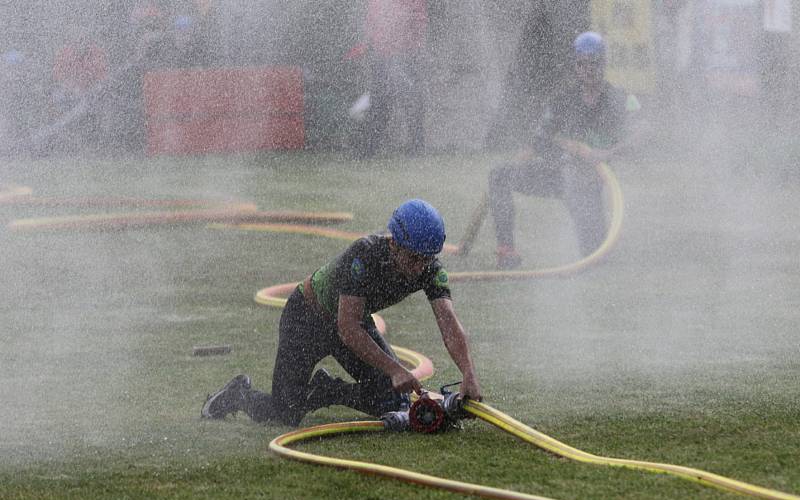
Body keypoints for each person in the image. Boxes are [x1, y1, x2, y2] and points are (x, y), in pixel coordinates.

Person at [202, 199, 482, 426]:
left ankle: (326, 389)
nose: (419, 267)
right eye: (413, 258)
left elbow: (449, 324)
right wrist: (395, 368)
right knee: (283, 415)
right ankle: (238, 394)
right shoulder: (365, 254)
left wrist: (468, 373)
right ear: (394, 242)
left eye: (427, 259)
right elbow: (347, 328)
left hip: (352, 322)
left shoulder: (429, 268)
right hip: (307, 319)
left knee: (392, 401)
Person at [488, 31, 643, 269]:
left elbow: (641, 136)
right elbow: (540, 139)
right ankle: (507, 253)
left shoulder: (620, 99)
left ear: (604, 63)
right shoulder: (563, 100)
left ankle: (593, 240)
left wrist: (606, 154)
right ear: (576, 65)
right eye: (582, 63)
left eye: (595, 63)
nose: (589, 69)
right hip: (558, 176)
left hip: (587, 185)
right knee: (499, 176)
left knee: (594, 257)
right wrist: (558, 149)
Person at [352, 0, 428, 158]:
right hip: (382, 55)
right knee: (379, 102)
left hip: (406, 54)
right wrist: (369, 44)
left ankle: (416, 147)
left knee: (410, 101)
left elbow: (419, 20)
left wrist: (409, 44)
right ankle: (370, 148)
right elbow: (371, 21)